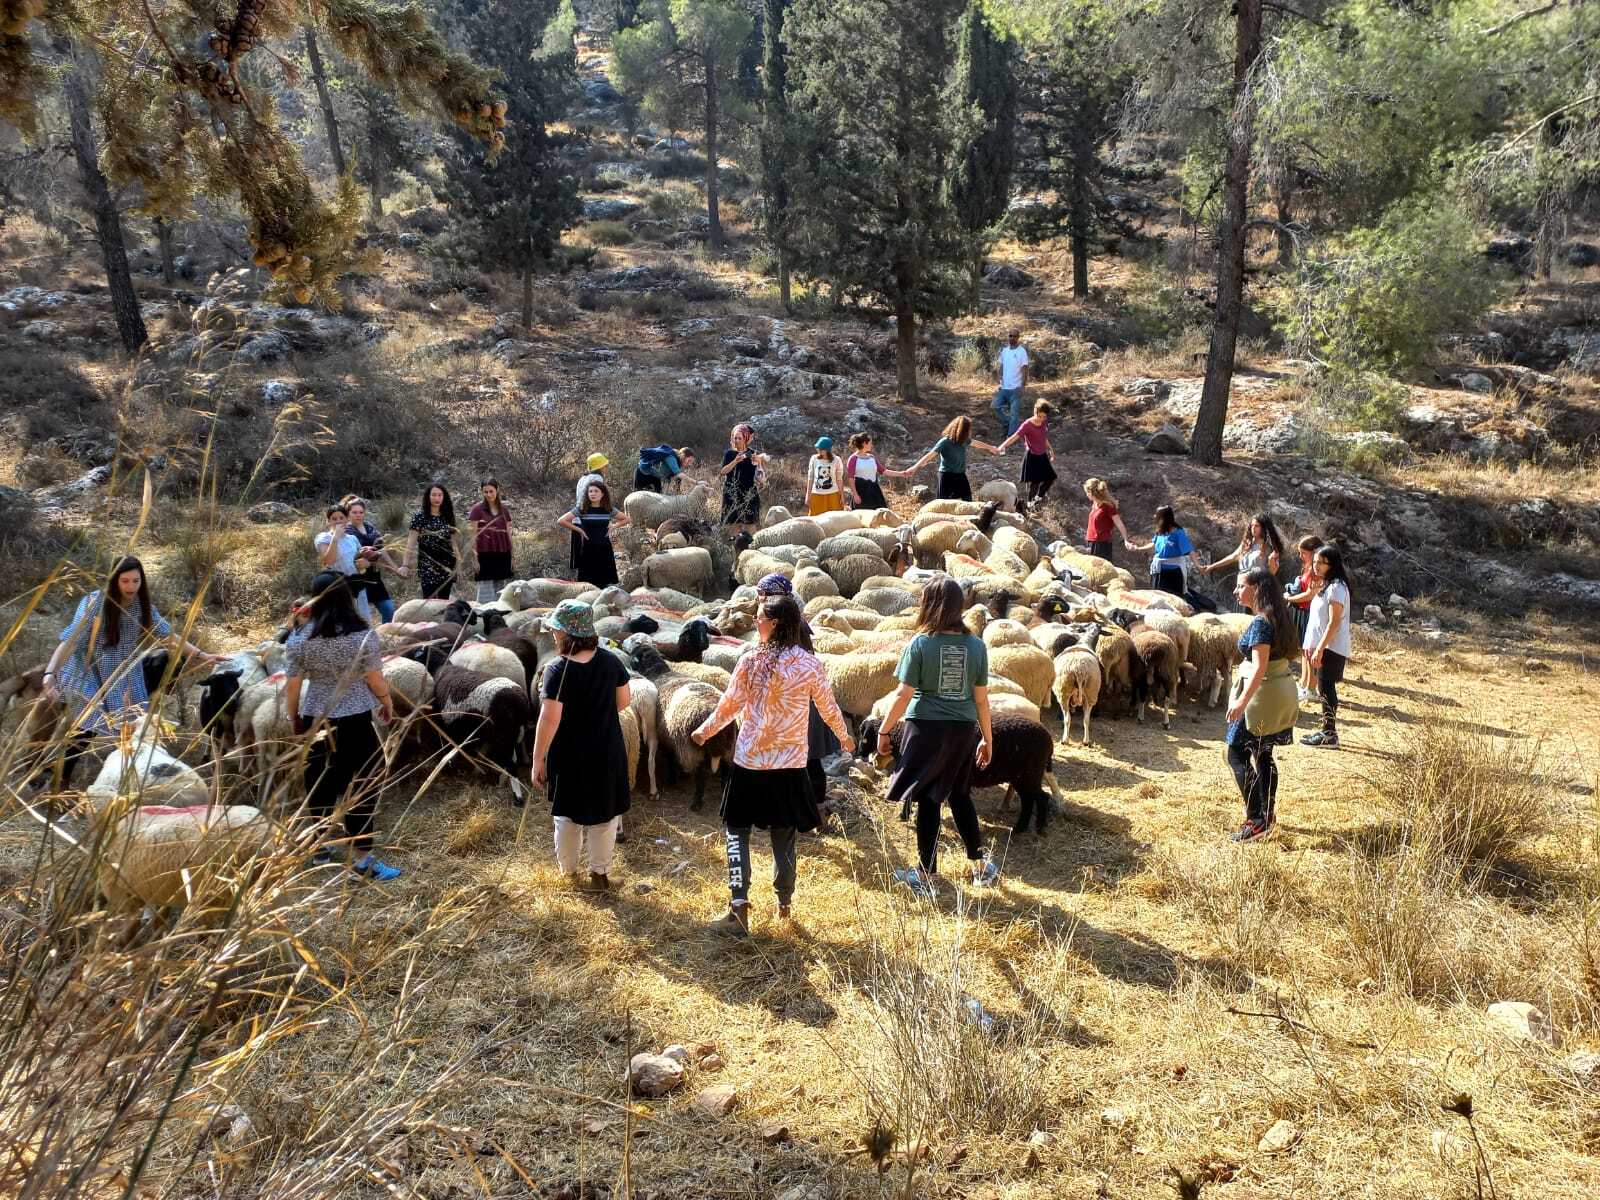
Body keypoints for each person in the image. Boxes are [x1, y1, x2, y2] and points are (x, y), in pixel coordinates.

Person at [692, 594, 854, 936]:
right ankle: (784, 906)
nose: (755, 622)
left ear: (775, 623)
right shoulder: (808, 663)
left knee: (736, 833)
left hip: (750, 764)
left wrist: (704, 733)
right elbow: (828, 707)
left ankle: (738, 909)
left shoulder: (750, 661)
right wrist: (845, 737)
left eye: (759, 617)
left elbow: (729, 706)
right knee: (784, 836)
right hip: (790, 767)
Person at [41, 556, 224, 787]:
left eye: (136, 581)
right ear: (114, 580)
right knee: (88, 724)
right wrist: (50, 674)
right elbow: (70, 641)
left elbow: (167, 637)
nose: (131, 587)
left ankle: (130, 777)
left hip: (123, 670)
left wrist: (201, 655)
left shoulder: (142, 605)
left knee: (133, 724)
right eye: (125, 581)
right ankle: (61, 780)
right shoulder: (94, 603)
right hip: (87, 668)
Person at [875, 576, 999, 897]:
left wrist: (885, 729)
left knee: (928, 800)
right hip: (962, 731)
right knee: (959, 794)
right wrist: (986, 738)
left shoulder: (920, 644)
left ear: (929, 605)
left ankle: (926, 875)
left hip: (925, 729)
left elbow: (903, 694)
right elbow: (982, 699)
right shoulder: (976, 646)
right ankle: (981, 866)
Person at [284, 571, 401, 880]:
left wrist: (294, 718)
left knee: (320, 781)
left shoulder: (299, 639)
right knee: (365, 782)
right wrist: (386, 701)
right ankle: (363, 860)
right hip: (355, 718)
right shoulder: (361, 635)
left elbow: (293, 686)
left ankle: (319, 848)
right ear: (348, 598)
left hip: (316, 718)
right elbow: (374, 677)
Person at [531, 600, 633, 891]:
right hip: (606, 750)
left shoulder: (557, 669)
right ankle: (599, 875)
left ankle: (569, 874)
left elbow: (549, 718)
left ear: (567, 634)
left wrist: (538, 759)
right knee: (606, 817)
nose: (553, 634)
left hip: (569, 755)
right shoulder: (611, 661)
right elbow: (624, 702)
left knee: (567, 816)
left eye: (555, 629)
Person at [1223, 567, 1301, 842]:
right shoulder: (1280, 616)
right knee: (1264, 754)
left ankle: (1256, 820)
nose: (1236, 591)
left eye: (1240, 585)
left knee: (1236, 753)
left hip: (1261, 697)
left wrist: (1241, 703)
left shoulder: (1260, 622)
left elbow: (1259, 666)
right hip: (1278, 692)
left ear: (1256, 588)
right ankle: (1267, 815)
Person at [754, 573, 837, 819]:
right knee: (808, 760)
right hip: (804, 698)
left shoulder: (788, 626)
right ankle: (811, 809)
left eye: (762, 595)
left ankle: (811, 811)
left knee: (806, 760)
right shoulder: (793, 621)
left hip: (798, 701)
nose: (758, 599)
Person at [1302, 544, 1352, 749]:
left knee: (1326, 687)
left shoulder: (1337, 588)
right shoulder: (1327, 586)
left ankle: (1330, 734)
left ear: (1332, 564)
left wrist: (1321, 647)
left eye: (1321, 563)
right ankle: (1327, 731)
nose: (1316, 566)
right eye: (1314, 562)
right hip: (1324, 646)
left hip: (1331, 646)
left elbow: (1334, 622)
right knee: (1323, 687)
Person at [890, 416, 1000, 502]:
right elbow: (929, 456)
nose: (969, 432)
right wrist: (914, 468)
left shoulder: (964, 440)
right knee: (942, 504)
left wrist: (991, 448)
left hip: (960, 475)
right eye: (968, 429)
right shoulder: (945, 442)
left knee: (968, 502)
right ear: (961, 429)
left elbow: (977, 443)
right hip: (946, 476)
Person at [343, 496, 404, 624]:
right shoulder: (347, 532)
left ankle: (384, 637)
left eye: (361, 512)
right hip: (357, 578)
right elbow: (349, 557)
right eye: (354, 512)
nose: (358, 515)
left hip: (374, 577)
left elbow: (382, 550)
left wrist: (396, 568)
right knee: (361, 618)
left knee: (389, 610)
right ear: (348, 514)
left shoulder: (369, 527)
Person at [558, 480, 630, 588]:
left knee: (604, 583)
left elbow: (626, 519)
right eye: (590, 491)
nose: (593, 493)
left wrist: (613, 526)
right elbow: (561, 520)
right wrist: (579, 530)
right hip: (588, 548)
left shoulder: (608, 509)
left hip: (604, 548)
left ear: (602, 494)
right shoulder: (582, 509)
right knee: (586, 584)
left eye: (596, 491)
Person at [1283, 534, 1324, 701]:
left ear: (1313, 552)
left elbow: (1310, 595)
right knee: (1304, 651)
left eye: (1303, 553)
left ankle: (1312, 687)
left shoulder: (1316, 570)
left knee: (1310, 650)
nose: (1301, 557)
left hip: (1309, 612)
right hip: (1302, 611)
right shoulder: (1308, 568)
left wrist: (1288, 598)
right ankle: (1305, 684)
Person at [315, 504, 372, 623]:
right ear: (329, 521)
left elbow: (361, 559)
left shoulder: (352, 539)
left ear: (347, 519)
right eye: (334, 519)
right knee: (344, 621)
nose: (338, 521)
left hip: (356, 584)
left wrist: (366, 563)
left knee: (363, 620)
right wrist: (335, 538)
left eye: (341, 518)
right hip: (338, 586)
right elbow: (329, 561)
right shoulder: (324, 538)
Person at [404, 484, 461, 600]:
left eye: (440, 495)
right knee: (429, 602)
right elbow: (410, 542)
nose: (437, 498)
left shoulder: (448, 516)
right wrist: (405, 565)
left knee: (444, 602)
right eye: (434, 495)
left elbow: (454, 543)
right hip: (427, 566)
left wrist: (459, 565)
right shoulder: (419, 517)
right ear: (428, 497)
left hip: (447, 565)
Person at [1124, 505, 1196, 597]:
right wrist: (1138, 549)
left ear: (1163, 518)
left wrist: (1198, 565)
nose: (1154, 516)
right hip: (1159, 571)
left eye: (1157, 515)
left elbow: (1189, 549)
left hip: (1174, 572)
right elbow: (1153, 544)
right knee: (1158, 596)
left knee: (1176, 598)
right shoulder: (1160, 531)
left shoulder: (1178, 533)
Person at [998, 399, 1058, 509]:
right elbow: (1015, 436)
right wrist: (1003, 446)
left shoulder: (1044, 421)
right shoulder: (1027, 424)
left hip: (1042, 454)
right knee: (1035, 482)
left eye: (1044, 417)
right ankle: (1030, 505)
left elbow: (1043, 437)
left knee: (1050, 478)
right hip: (1032, 455)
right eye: (1039, 416)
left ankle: (1037, 498)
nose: (1041, 419)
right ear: (1035, 412)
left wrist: (1050, 449)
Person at [1204, 513, 1286, 586]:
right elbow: (1232, 557)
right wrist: (1212, 566)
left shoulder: (1269, 547)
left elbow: (1272, 572)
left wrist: (1272, 561)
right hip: (1242, 585)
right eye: (1252, 525)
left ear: (1263, 528)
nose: (1253, 528)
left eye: (1256, 526)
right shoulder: (1246, 544)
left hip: (1258, 586)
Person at [468, 478, 514, 605]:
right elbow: (472, 535)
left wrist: (512, 554)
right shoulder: (477, 510)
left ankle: (499, 620)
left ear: (497, 490)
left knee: (501, 592)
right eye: (485, 492)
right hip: (484, 555)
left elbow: (509, 533)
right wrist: (475, 558)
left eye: (491, 491)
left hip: (502, 554)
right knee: (485, 593)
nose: (488, 494)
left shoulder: (504, 510)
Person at [719, 423, 769, 537]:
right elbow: (723, 472)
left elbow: (760, 478)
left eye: (739, 438)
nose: (736, 441)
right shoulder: (729, 454)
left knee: (750, 527)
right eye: (734, 438)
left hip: (748, 494)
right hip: (732, 494)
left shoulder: (752, 454)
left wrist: (759, 463)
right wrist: (735, 461)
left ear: (746, 439)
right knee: (732, 528)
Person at [991, 328, 1030, 438]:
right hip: (1004, 387)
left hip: (1016, 388)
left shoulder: (1021, 351)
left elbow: (1025, 369)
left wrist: (1023, 385)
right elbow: (1002, 365)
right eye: (1010, 336)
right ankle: (1007, 423)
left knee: (1014, 414)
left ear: (1018, 337)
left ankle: (1011, 436)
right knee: (995, 406)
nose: (1011, 338)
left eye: (1014, 336)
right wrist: (999, 377)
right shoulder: (1005, 351)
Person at [1082, 478, 1131, 562]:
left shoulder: (1108, 507)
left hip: (1101, 544)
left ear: (1091, 493)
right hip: (1091, 542)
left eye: (1087, 492)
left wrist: (1126, 539)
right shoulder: (1095, 504)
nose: (1086, 495)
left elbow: (1119, 523)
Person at [845, 433, 889, 511]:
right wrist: (855, 495)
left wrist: (903, 473)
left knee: (879, 517)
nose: (872, 445)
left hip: (875, 492)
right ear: (864, 443)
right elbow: (850, 478)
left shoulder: (871, 457)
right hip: (861, 492)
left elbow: (883, 471)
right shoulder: (853, 459)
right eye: (870, 443)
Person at [805, 437, 845, 516]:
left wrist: (842, 496)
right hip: (817, 494)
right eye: (818, 448)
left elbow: (839, 479)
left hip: (833, 495)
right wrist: (808, 495)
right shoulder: (814, 459)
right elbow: (811, 478)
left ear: (828, 449)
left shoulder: (837, 460)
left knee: (834, 520)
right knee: (816, 520)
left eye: (821, 449)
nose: (818, 450)